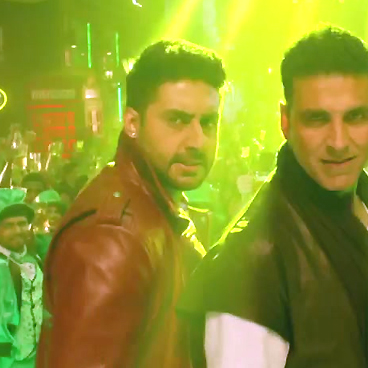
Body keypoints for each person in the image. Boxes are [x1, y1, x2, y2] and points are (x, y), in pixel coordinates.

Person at [178, 26, 368, 367]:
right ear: (286, 121)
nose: (339, 141)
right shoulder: (248, 267)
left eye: (355, 117)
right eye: (317, 119)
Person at [36, 39, 226, 368]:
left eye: (208, 122)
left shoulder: (157, 206)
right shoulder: (112, 237)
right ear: (133, 123)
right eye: (177, 120)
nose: (197, 140)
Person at [0, 188, 44, 368]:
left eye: (22, 224)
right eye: (9, 226)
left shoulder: (34, 259)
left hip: (35, 357)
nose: (17, 230)